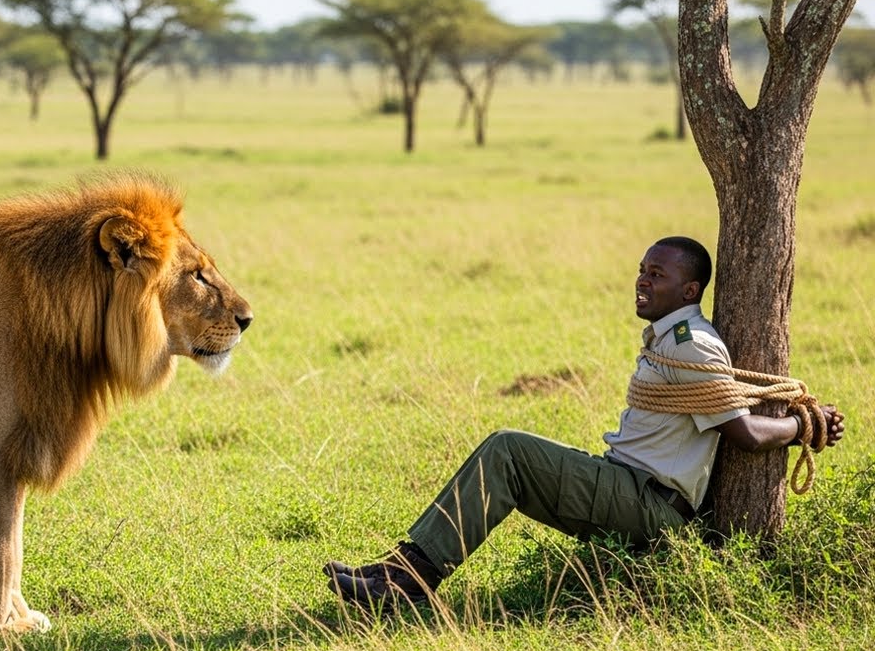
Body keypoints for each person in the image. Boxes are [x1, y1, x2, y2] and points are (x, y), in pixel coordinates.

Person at [325, 236, 846, 610]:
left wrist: (806, 426)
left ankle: (410, 580)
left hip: (651, 504)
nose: (642, 282)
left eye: (657, 275)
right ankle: (400, 572)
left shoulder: (696, 345)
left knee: (508, 450)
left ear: (690, 291)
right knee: (508, 458)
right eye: (642, 270)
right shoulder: (669, 337)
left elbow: (747, 434)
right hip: (628, 485)